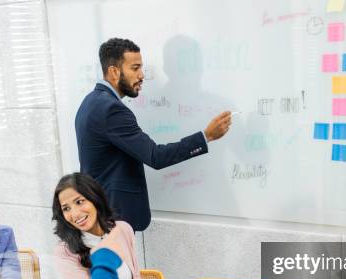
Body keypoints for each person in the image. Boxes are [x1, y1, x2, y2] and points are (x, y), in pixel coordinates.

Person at [75, 37, 233, 232]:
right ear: (114, 72)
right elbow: (155, 157)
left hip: (103, 213)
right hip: (113, 220)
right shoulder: (111, 110)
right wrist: (206, 136)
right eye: (135, 68)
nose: (142, 75)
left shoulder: (90, 102)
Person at [52, 173, 142, 279]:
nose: (75, 214)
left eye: (79, 202)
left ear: (95, 198)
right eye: (66, 208)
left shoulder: (123, 230)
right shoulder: (65, 251)